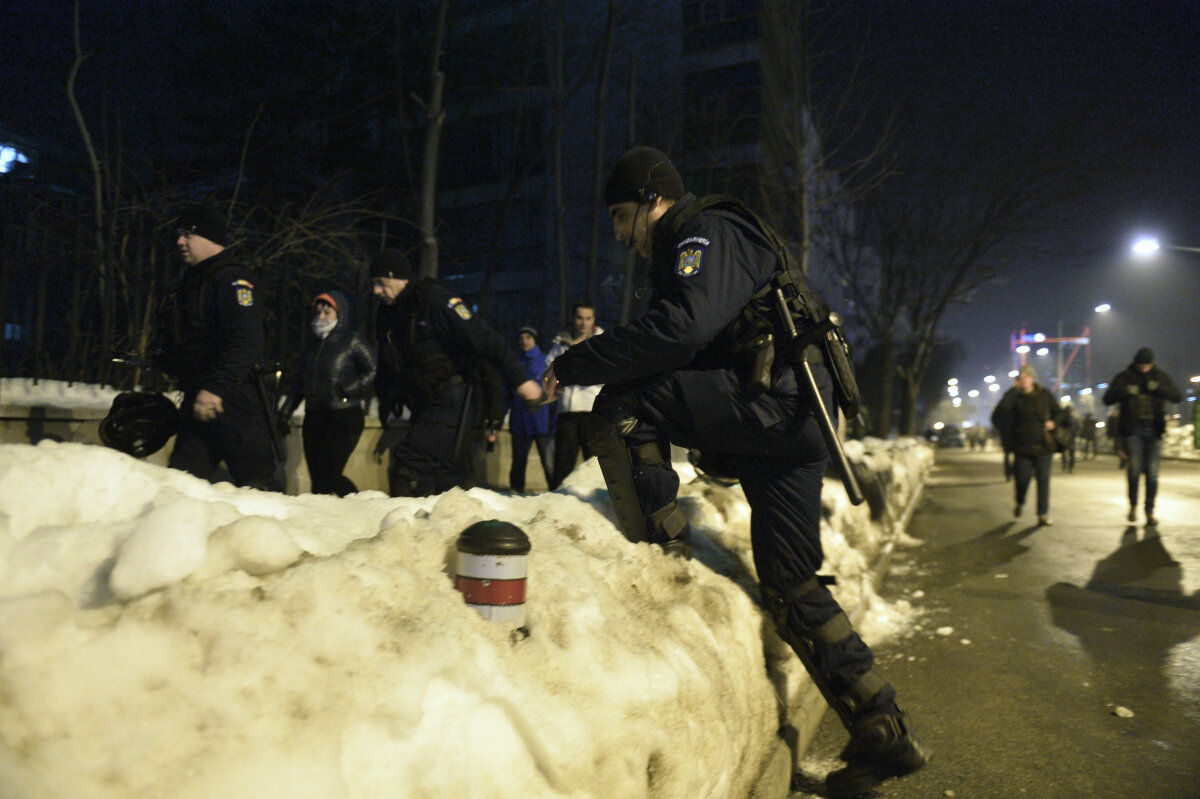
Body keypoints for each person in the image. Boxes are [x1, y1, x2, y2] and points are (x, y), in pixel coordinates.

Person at [542, 146, 926, 797]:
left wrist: (579, 361)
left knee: (627, 401)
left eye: (619, 214)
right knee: (791, 580)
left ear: (651, 200)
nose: (617, 232)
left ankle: (659, 556)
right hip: (796, 417)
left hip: (774, 402)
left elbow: (682, 331)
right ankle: (879, 727)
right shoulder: (704, 241)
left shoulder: (704, 231)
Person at [370, 248, 543, 496]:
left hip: (452, 401)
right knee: (442, 479)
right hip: (424, 404)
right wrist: (386, 400)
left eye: (380, 283)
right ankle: (481, 516)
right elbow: (387, 361)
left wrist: (522, 381)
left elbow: (486, 340)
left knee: (408, 468)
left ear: (398, 277)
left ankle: (408, 531)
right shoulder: (388, 313)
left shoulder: (434, 300)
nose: (376, 291)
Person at [158, 202, 282, 491]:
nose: (179, 241)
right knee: (180, 488)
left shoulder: (232, 281)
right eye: (178, 234)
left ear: (210, 237)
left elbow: (245, 341)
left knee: (257, 489)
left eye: (187, 234)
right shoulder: (194, 281)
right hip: (202, 399)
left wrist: (215, 387)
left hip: (233, 399)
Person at [277, 290, 377, 496]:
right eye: (318, 312)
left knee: (330, 475)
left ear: (339, 314)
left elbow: (373, 368)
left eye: (327, 312)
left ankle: (361, 508)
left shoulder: (351, 341)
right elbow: (299, 384)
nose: (320, 317)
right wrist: (285, 412)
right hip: (314, 417)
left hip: (343, 415)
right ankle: (323, 523)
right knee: (318, 481)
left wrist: (350, 389)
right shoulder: (311, 347)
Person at [1102, 347, 1181, 525]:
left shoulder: (1160, 377)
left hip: (1154, 430)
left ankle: (1149, 511)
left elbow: (1177, 396)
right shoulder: (1124, 377)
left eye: (1147, 365)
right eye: (1141, 365)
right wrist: (1126, 391)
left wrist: (1159, 388)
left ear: (1152, 364)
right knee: (1135, 469)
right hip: (1133, 430)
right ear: (1135, 363)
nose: (1144, 368)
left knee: (1152, 473)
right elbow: (1107, 398)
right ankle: (1133, 505)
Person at [990, 364, 1061, 526]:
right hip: (1022, 447)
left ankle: (1042, 514)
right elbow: (999, 413)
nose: (1023, 380)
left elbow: (1059, 412)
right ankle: (1020, 501)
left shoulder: (1045, 395)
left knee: (1043, 480)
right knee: (1022, 480)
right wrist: (1012, 390)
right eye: (1020, 378)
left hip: (1043, 446)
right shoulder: (1015, 397)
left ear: (1033, 378)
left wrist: (1053, 423)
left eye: (1026, 376)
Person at [546, 302, 604, 489]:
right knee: (563, 464)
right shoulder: (560, 342)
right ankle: (557, 502)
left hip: (592, 410)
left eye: (588, 318)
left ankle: (600, 501)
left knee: (595, 463)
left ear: (593, 320)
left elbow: (609, 372)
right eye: (580, 318)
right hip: (567, 412)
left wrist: (579, 374)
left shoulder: (602, 341)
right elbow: (549, 370)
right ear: (573, 318)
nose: (583, 323)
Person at [507, 326, 554, 493]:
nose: (524, 341)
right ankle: (515, 493)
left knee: (549, 464)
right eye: (521, 338)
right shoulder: (515, 364)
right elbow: (508, 393)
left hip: (542, 422)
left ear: (535, 340)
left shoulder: (545, 361)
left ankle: (557, 495)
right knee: (518, 463)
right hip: (520, 422)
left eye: (528, 337)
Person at [1058, 401, 1078, 473]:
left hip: (1064, 437)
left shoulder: (1061, 417)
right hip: (1071, 437)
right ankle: (1070, 468)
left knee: (1064, 452)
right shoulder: (1073, 418)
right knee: (1071, 453)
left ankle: (1064, 465)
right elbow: (1077, 427)